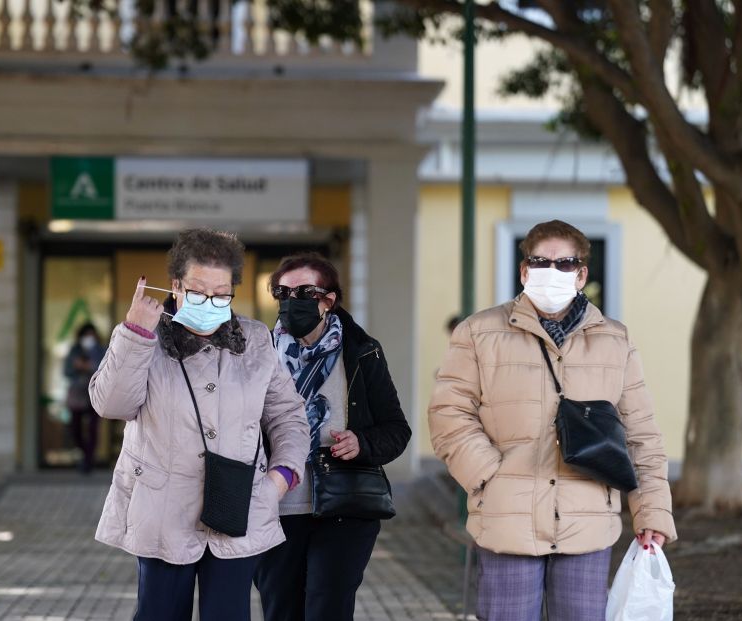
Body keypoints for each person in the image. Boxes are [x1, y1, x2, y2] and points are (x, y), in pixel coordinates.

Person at [429, 220, 677, 621]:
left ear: (581, 274)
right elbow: (448, 413)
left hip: (589, 522)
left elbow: (641, 434)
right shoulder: (478, 332)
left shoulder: (615, 340)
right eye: (541, 261)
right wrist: (490, 476)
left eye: (565, 263)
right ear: (524, 271)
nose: (552, 271)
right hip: (507, 522)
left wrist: (650, 512)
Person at [89, 228, 310, 621]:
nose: (210, 302)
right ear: (175, 286)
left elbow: (288, 416)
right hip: (162, 511)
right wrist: (135, 335)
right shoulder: (146, 338)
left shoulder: (256, 340)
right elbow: (111, 404)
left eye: (221, 293)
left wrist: (280, 479)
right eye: (198, 290)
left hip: (239, 507)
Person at [254, 252, 411, 621]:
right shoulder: (258, 353)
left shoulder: (362, 352)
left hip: (343, 505)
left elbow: (396, 429)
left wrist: (362, 443)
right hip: (274, 507)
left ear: (328, 300)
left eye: (304, 292)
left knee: (328, 607)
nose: (292, 302)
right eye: (283, 292)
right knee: (280, 609)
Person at [64, 322, 106, 473]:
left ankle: (88, 461)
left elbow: (107, 368)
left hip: (95, 393)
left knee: (93, 429)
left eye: (91, 335)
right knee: (75, 429)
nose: (88, 338)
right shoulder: (74, 350)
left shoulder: (101, 350)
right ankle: (85, 455)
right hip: (77, 394)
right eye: (85, 335)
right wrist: (76, 367)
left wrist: (90, 366)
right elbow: (66, 371)